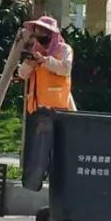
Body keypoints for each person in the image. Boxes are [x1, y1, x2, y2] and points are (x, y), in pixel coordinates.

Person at [18, 16, 75, 191]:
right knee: (39, 151)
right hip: (38, 109)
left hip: (59, 109)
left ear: (52, 34)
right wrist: (30, 63)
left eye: (43, 31)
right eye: (37, 31)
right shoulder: (35, 51)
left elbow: (65, 68)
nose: (39, 35)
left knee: (58, 150)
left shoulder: (63, 49)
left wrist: (45, 60)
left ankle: (61, 184)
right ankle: (34, 184)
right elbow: (22, 74)